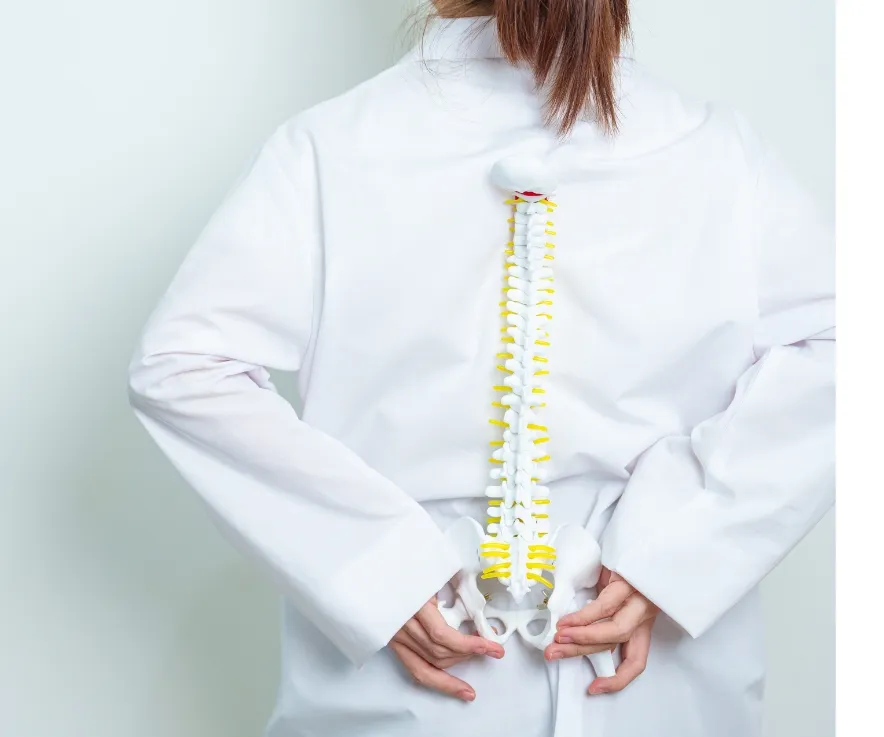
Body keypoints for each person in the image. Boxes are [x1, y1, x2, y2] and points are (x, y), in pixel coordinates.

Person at [128, 1, 834, 736]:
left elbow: (179, 366)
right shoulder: (718, 153)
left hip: (409, 692)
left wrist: (373, 568)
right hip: (655, 694)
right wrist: (680, 546)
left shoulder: (327, 150)